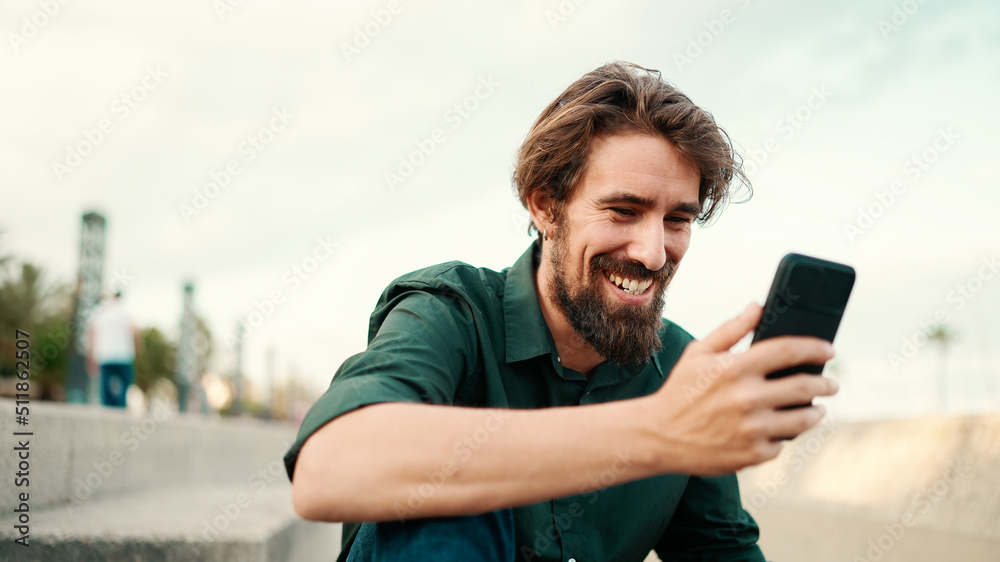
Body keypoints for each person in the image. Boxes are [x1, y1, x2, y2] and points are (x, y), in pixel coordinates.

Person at [284, 61, 839, 561]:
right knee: (452, 493)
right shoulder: (451, 311)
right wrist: (658, 430)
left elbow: (722, 550)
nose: (652, 251)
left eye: (677, 220)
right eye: (624, 210)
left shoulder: (680, 367)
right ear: (546, 206)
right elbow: (327, 470)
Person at [86, 290, 140, 408]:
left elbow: (92, 334)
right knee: (124, 385)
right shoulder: (125, 311)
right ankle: (120, 406)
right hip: (124, 356)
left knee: (106, 387)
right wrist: (138, 348)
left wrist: (90, 355)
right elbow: (135, 330)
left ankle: (107, 409)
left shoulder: (100, 312)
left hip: (105, 355)